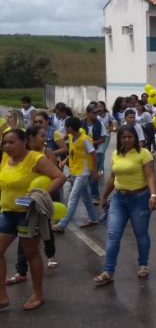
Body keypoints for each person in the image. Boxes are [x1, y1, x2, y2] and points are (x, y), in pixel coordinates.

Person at [0, 129, 65, 311]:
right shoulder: (5, 158)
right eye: (5, 143)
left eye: (11, 142)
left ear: (24, 142)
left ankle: (37, 294)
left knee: (31, 253)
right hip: (7, 212)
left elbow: (59, 177)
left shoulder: (36, 159)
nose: (7, 146)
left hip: (29, 215)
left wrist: (40, 196)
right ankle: (2, 297)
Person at [93, 125, 156, 286]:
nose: (127, 139)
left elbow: (150, 176)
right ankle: (108, 272)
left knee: (140, 233)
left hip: (140, 199)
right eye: (124, 137)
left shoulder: (144, 153)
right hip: (119, 199)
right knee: (112, 234)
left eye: (130, 136)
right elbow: (112, 178)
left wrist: (153, 195)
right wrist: (104, 196)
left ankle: (143, 264)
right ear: (119, 138)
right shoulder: (116, 154)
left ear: (135, 137)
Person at [53, 117, 100, 232]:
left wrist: (94, 172)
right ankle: (93, 218)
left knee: (73, 197)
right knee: (86, 197)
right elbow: (72, 152)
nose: (64, 128)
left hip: (83, 173)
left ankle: (62, 224)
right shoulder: (71, 137)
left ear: (70, 127)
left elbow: (94, 155)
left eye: (65, 126)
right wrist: (65, 161)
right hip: (74, 171)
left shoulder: (84, 140)